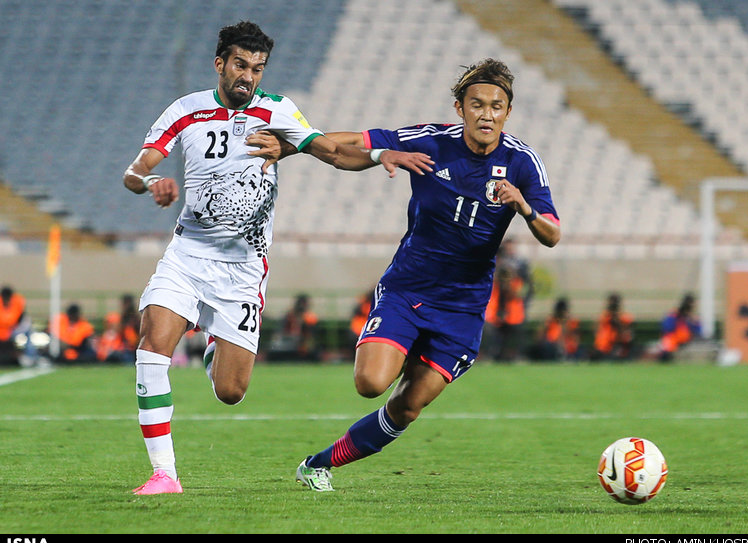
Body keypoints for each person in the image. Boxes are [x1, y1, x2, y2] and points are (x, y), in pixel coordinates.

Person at [121, 21, 433, 495]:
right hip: (188, 254)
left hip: (245, 269)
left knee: (231, 392)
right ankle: (164, 473)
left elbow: (330, 150)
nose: (249, 76)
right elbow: (134, 170)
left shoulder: (277, 110)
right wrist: (151, 183)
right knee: (153, 344)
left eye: (258, 68)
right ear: (220, 63)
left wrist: (377, 157)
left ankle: (213, 346)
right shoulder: (185, 111)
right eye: (241, 66)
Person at [252, 58, 561, 491]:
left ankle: (318, 463)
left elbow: (552, 233)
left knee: (407, 408)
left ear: (507, 112)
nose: (486, 114)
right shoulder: (432, 142)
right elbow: (352, 143)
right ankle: (398, 344)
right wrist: (294, 143)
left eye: (496, 106)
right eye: (477, 104)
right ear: (460, 108)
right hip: (409, 289)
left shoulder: (523, 163)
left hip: (463, 307)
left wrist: (523, 206)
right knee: (370, 383)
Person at [269, 294, 321, 361]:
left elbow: (312, 335)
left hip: (302, 344)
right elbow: (281, 332)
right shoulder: (289, 316)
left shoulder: (310, 318)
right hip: (288, 341)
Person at [530, 296, 581, 361]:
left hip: (567, 349)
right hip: (551, 347)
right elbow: (539, 335)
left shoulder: (571, 322)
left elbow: (575, 340)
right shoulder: (550, 321)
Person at [590, 293, 634, 361]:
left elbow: (627, 335)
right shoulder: (604, 317)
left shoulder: (624, 318)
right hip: (602, 348)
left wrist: (617, 321)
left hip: (618, 348)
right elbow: (596, 331)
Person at [658, 293, 701, 361]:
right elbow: (667, 327)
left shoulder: (691, 318)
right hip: (674, 338)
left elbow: (698, 329)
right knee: (667, 344)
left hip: (685, 338)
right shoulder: (675, 314)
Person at [0, 286, 31, 365]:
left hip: (14, 329)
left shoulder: (17, 302)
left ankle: (30, 356)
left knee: (29, 331)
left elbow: (21, 318)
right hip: (2, 330)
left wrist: (13, 329)